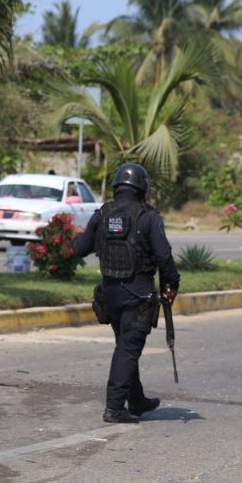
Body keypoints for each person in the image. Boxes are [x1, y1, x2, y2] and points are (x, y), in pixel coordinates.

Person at [71, 162, 180, 423]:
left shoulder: (102, 213)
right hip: (138, 296)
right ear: (142, 188)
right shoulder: (148, 216)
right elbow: (164, 257)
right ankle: (114, 407)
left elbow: (79, 248)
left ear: (116, 187)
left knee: (126, 346)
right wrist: (171, 285)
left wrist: (77, 236)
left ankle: (137, 400)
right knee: (128, 350)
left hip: (110, 295)